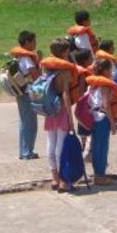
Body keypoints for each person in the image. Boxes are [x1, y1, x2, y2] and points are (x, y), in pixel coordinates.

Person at [40, 39, 77, 191]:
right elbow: (66, 94)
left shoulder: (46, 67)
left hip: (49, 110)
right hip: (61, 109)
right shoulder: (65, 70)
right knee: (60, 147)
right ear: (64, 53)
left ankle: (54, 178)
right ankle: (63, 180)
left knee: (51, 143)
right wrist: (70, 115)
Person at [86, 59, 117, 186]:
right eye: (110, 70)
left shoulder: (92, 83)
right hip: (101, 118)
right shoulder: (104, 85)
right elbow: (106, 105)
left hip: (92, 117)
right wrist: (112, 123)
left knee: (96, 147)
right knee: (102, 148)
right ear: (105, 71)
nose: (112, 73)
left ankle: (98, 173)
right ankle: (100, 176)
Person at [10, 31, 41, 160]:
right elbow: (36, 76)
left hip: (20, 92)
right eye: (33, 41)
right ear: (27, 42)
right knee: (30, 123)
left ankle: (24, 151)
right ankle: (27, 152)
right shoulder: (27, 59)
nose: (35, 43)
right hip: (28, 93)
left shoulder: (17, 57)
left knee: (24, 122)